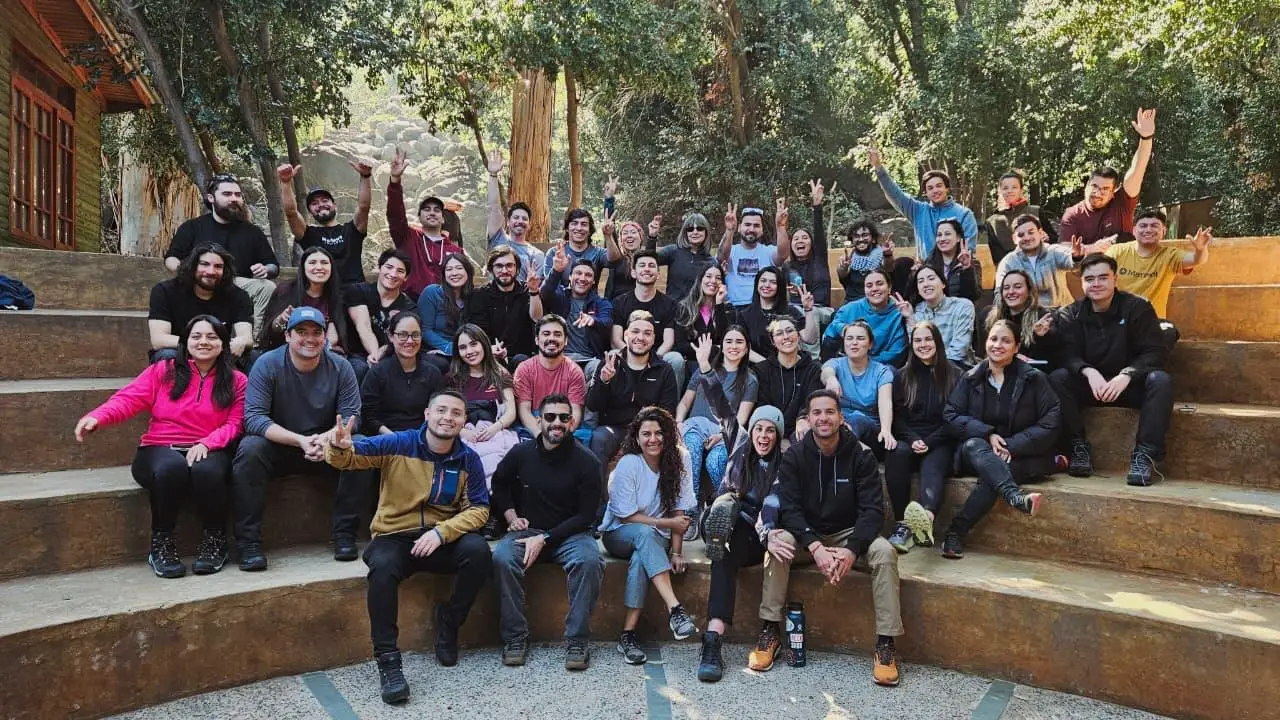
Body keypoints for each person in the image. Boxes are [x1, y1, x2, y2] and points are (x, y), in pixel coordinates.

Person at [323, 391, 491, 704]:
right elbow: (349, 458)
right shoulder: (399, 443)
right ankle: (389, 662)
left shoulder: (468, 459)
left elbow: (480, 509)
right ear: (427, 414)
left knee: (479, 551)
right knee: (382, 568)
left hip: (440, 538)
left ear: (463, 421)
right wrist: (338, 446)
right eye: (441, 410)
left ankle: (449, 621)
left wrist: (442, 532)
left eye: (456, 413)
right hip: (395, 535)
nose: (448, 417)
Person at [74, 315, 246, 578]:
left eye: (212, 337)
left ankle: (215, 541)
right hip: (159, 447)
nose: (203, 342)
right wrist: (98, 417)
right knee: (171, 467)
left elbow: (236, 423)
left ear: (223, 344)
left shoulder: (236, 380)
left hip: (208, 448)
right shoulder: (163, 371)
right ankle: (162, 544)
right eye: (196, 336)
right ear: (185, 341)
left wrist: (208, 442)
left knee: (207, 470)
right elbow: (129, 399)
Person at [761, 390, 904, 686]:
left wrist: (852, 550)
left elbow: (872, 512)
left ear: (841, 417)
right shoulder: (794, 456)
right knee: (779, 544)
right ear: (808, 418)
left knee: (885, 553)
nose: (823, 418)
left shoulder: (862, 455)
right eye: (817, 412)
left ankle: (886, 644)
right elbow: (790, 509)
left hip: (849, 534)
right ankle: (770, 630)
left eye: (829, 412)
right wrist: (815, 546)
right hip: (807, 536)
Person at [232, 307, 363, 570]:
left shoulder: (341, 366)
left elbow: (352, 416)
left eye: (316, 332)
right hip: (281, 445)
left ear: (325, 337)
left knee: (360, 445)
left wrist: (325, 439)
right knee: (250, 448)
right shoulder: (267, 364)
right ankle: (248, 543)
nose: (309, 338)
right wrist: (300, 440)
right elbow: (254, 418)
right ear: (287, 336)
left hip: (326, 446)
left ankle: (345, 534)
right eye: (301, 332)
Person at [490, 394, 604, 670]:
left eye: (564, 418)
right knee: (502, 558)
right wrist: (511, 516)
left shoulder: (587, 461)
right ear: (539, 420)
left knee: (590, 561)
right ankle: (515, 638)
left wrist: (545, 538)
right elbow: (499, 484)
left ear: (572, 422)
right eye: (550, 417)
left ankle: (577, 641)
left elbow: (586, 516)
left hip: (571, 535)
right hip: (527, 530)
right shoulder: (521, 453)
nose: (557, 423)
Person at [1049, 254, 1173, 486]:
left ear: (1115, 279)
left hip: (1128, 386)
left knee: (1161, 381)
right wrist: (1088, 371)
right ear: (1082, 282)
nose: (1096, 284)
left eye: (1103, 277)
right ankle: (1077, 447)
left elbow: (1154, 352)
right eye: (1089, 279)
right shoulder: (1070, 313)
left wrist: (1128, 374)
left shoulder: (1138, 307)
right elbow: (1066, 355)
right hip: (1091, 386)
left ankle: (1145, 455)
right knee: (1058, 378)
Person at [940, 320, 1054, 559]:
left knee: (994, 475)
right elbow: (951, 415)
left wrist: (1011, 445)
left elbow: (1050, 421)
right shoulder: (970, 378)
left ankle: (955, 532)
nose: (997, 345)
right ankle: (1014, 496)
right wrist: (987, 434)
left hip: (1019, 454)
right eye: (993, 339)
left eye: (1006, 341)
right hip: (977, 452)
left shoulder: (1034, 379)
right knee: (975, 445)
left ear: (1017, 347)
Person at [599, 407, 700, 665]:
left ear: (668, 435)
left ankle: (627, 635)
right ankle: (675, 608)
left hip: (655, 539)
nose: (653, 439)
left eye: (658, 433)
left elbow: (679, 510)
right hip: (619, 534)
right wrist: (666, 523)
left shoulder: (681, 458)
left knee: (640, 559)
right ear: (637, 437)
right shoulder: (629, 463)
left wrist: (676, 552)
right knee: (644, 535)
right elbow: (625, 517)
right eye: (646, 434)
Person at [695, 405, 785, 682]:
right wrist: (707, 376)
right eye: (759, 428)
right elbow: (722, 408)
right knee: (722, 538)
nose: (763, 435)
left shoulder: (783, 467)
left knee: (724, 546)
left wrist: (766, 533)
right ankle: (713, 637)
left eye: (770, 430)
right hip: (725, 529)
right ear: (751, 431)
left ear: (778, 436)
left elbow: (772, 505)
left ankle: (713, 638)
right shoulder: (739, 446)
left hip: (755, 534)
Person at [164, 174, 280, 337]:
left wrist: (266, 269)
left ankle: (253, 341)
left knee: (266, 287)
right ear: (211, 198)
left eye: (238, 195)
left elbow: (273, 266)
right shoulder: (193, 227)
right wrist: (189, 271)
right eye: (227, 194)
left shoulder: (252, 232)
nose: (234, 199)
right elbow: (171, 258)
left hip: (236, 286)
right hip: (200, 281)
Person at [885, 322, 960, 553]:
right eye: (917, 340)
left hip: (942, 439)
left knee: (933, 464)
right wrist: (912, 438)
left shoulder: (955, 375)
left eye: (928, 339)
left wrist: (930, 441)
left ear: (937, 341)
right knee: (896, 454)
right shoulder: (902, 376)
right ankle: (902, 525)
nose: (923, 344)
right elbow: (897, 417)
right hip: (910, 437)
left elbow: (956, 418)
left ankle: (926, 518)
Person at [587, 312, 680, 495]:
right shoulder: (610, 363)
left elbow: (667, 412)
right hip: (615, 429)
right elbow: (593, 405)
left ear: (653, 339)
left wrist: (642, 431)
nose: (640, 337)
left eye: (647, 333)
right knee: (598, 438)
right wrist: (604, 382)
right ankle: (597, 507)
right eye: (635, 331)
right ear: (626, 335)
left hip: (648, 431)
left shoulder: (664, 370)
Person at [1106, 210, 1212, 350]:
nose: (1148, 230)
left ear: (1164, 231)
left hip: (1151, 323)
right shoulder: (1117, 251)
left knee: (1169, 332)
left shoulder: (1170, 255)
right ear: (1134, 231)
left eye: (1154, 226)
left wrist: (1200, 249)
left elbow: (1196, 260)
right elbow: (1099, 271)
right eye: (1143, 226)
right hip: (1117, 320)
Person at [677, 328, 758, 506]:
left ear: (747, 348)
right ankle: (691, 508)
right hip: (695, 426)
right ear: (721, 346)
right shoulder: (704, 369)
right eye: (729, 341)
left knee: (715, 461)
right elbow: (684, 403)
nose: (733, 346)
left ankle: (721, 507)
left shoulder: (750, 380)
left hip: (724, 434)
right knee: (691, 451)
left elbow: (741, 419)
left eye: (739, 342)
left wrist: (721, 436)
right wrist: (678, 423)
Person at [1059, 108, 1157, 247]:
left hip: (1124, 260)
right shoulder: (1072, 215)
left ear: (1113, 193)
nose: (1097, 193)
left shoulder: (1121, 203)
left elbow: (1137, 170)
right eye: (1094, 186)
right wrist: (1095, 248)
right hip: (1089, 261)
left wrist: (1146, 138)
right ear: (1086, 186)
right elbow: (1064, 250)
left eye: (1105, 189)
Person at [148, 242, 254, 367]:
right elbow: (158, 340)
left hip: (219, 354)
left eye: (218, 266)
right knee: (167, 355)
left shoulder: (238, 295)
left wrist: (240, 341)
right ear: (192, 266)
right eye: (204, 264)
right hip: (182, 351)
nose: (211, 271)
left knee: (253, 357)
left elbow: (247, 337)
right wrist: (202, 344)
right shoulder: (165, 291)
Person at [868, 142, 978, 259]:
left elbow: (968, 250)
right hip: (926, 269)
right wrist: (878, 167)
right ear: (926, 192)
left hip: (955, 268)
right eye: (930, 188)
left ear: (947, 188)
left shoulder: (964, 214)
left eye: (939, 186)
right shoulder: (918, 211)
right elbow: (895, 194)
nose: (935, 190)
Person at [260, 247, 355, 375]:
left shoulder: (337, 297)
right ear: (303, 267)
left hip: (323, 353)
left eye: (324, 263)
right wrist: (282, 319)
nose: (319, 267)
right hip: (287, 353)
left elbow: (335, 336)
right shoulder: (286, 291)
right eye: (312, 262)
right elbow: (270, 333)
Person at [277, 160, 373, 284]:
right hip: (323, 292)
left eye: (325, 200)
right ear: (310, 212)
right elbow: (291, 213)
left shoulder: (352, 229)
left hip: (355, 289)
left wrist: (365, 177)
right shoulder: (308, 234)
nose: (321, 205)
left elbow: (364, 207)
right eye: (314, 203)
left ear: (334, 205)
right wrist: (286, 182)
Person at [449, 324, 522, 483]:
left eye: (473, 344)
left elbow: (511, 411)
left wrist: (495, 428)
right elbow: (446, 414)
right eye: (463, 347)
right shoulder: (453, 378)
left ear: (484, 344)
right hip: (465, 435)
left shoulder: (500, 373)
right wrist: (462, 432)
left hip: (496, 431)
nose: (469, 351)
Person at [387, 148, 463, 296]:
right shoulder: (409, 237)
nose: (432, 212)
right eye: (426, 209)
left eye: (437, 210)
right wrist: (395, 181)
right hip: (411, 302)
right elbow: (395, 214)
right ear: (420, 217)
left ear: (443, 218)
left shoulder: (455, 251)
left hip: (444, 304)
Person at [360, 312, 445, 436]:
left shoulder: (432, 373)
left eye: (415, 335)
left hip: (423, 437)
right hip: (386, 438)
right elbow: (368, 416)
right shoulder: (377, 372)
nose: (410, 341)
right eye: (403, 335)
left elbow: (438, 412)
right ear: (391, 336)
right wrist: (395, 439)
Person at [610, 250, 688, 384]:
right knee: (613, 355)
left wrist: (652, 359)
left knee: (676, 359)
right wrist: (634, 356)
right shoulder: (620, 302)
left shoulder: (669, 304)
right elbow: (616, 340)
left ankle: (670, 398)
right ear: (633, 272)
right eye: (642, 265)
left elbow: (668, 342)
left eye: (651, 266)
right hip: (628, 353)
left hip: (658, 355)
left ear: (658, 274)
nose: (647, 269)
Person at [821, 322, 896, 454]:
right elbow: (826, 371)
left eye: (860, 338)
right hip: (840, 424)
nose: (854, 343)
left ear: (870, 344)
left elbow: (885, 402)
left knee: (856, 419)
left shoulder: (882, 371)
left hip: (869, 429)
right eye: (849, 338)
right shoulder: (835, 364)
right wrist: (831, 379)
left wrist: (886, 430)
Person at [464, 247, 544, 367]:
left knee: (521, 360)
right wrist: (490, 348)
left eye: (509, 265)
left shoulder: (527, 291)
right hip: (489, 355)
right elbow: (477, 329)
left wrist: (533, 291)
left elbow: (537, 318)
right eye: (499, 266)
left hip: (521, 357)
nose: (504, 270)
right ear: (491, 269)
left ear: (517, 268)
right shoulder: (479, 295)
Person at [541, 249, 614, 378]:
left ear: (594, 281)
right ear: (570, 277)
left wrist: (593, 320)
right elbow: (545, 293)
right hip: (559, 358)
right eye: (578, 273)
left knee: (598, 368)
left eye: (588, 275)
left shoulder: (601, 303)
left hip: (589, 360)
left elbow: (607, 322)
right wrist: (556, 271)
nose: (582, 278)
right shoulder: (560, 296)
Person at [513, 316, 589, 438]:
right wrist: (541, 437)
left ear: (566, 340)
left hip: (563, 425)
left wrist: (560, 436)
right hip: (534, 424)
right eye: (546, 334)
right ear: (537, 340)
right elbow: (524, 411)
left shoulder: (574, 371)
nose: (551, 338)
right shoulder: (524, 369)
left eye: (557, 334)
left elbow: (575, 412)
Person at [347, 249, 419, 370]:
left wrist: (381, 353)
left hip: (391, 354)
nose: (393, 274)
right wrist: (375, 354)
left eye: (400, 271)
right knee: (361, 369)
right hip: (357, 354)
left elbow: (401, 339)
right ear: (379, 268)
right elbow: (364, 327)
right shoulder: (358, 291)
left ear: (406, 277)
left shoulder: (410, 308)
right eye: (389, 267)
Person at [755, 315, 824, 441]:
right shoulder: (762, 370)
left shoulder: (813, 369)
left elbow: (812, 401)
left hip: (801, 429)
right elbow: (762, 406)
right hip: (770, 430)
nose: (786, 336)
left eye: (790, 331)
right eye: (779, 333)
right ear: (773, 341)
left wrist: (803, 418)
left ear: (798, 335)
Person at [822, 269, 908, 366]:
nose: (874, 288)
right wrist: (843, 328)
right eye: (869, 286)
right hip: (847, 364)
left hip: (882, 367)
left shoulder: (899, 314)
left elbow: (896, 353)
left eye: (879, 284)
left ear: (889, 287)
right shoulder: (850, 308)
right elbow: (829, 334)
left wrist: (864, 363)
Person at [994, 214, 1081, 309]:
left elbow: (1072, 263)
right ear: (1014, 239)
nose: (1027, 238)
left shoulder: (1054, 252)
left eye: (1031, 232)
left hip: (1061, 311)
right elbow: (999, 292)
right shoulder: (1008, 262)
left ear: (1040, 233)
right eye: (1021, 235)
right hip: (1027, 313)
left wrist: (1076, 257)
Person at [718, 199, 792, 309]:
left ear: (762, 230)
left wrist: (781, 227)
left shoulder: (768, 251)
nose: (751, 229)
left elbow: (783, 255)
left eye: (756, 225)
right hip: (734, 307)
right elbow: (722, 257)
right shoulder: (731, 251)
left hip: (763, 307)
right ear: (739, 228)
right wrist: (729, 230)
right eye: (747, 224)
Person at [895, 265, 975, 366]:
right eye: (921, 281)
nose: (926, 284)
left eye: (931, 278)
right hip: (925, 366)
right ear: (918, 289)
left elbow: (960, 349)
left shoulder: (962, 306)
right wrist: (910, 318)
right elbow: (917, 347)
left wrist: (934, 365)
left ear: (943, 284)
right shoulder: (916, 310)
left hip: (957, 366)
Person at [737, 266, 818, 364]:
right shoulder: (745, 315)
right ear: (757, 284)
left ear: (779, 287)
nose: (767, 285)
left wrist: (808, 309)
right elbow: (744, 348)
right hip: (759, 366)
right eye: (763, 281)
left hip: (789, 365)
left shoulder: (790, 311)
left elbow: (810, 339)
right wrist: (769, 366)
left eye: (773, 282)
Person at [484, 150, 545, 282]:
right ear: (508, 222)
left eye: (524, 219)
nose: (520, 221)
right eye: (516, 217)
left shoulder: (536, 255)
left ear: (529, 225)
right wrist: (493, 175)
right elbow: (493, 208)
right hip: (493, 293)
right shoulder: (498, 239)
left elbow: (536, 286)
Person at [979, 270, 1060, 369]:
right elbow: (983, 354)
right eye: (1006, 288)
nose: (1011, 292)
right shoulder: (988, 315)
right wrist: (1012, 357)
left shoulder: (1043, 317)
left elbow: (1051, 359)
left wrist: (1037, 336)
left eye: (1017, 287)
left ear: (1029, 291)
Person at [984, 170, 1057, 268]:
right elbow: (996, 255)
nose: (1010, 191)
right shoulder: (992, 222)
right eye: (1005, 188)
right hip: (1010, 269)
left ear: (1021, 190)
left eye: (1014, 187)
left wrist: (1047, 238)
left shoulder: (1036, 211)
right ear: (1000, 191)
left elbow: (1054, 239)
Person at [784, 179, 834, 314]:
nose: (800, 241)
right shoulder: (788, 267)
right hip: (796, 311)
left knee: (812, 314)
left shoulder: (819, 259)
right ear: (791, 245)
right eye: (796, 239)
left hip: (821, 310)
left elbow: (818, 233)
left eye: (805, 238)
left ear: (812, 244)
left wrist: (817, 206)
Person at [418, 253, 474, 373]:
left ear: (468, 272)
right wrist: (449, 348)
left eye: (459, 268)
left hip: (464, 349)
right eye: (449, 269)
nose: (454, 273)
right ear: (444, 274)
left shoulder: (474, 297)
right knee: (442, 364)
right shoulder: (432, 293)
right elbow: (425, 330)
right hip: (434, 349)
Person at [677, 264, 735, 369]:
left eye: (718, 278)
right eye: (708, 276)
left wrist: (719, 305)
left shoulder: (728, 309)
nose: (713, 281)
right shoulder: (685, 308)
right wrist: (711, 349)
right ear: (700, 279)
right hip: (692, 362)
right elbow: (681, 345)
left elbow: (725, 340)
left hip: (719, 364)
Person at [650, 212, 718, 302]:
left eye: (699, 229)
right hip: (672, 308)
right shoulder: (673, 251)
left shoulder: (711, 262)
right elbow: (650, 260)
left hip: (696, 309)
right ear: (685, 232)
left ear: (706, 232)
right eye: (690, 229)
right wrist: (652, 237)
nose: (695, 232)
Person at [542, 208, 609, 285]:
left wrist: (609, 236)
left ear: (590, 230)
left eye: (584, 224)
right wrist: (556, 270)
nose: (579, 228)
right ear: (567, 228)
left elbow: (615, 260)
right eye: (574, 223)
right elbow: (548, 287)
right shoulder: (554, 253)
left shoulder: (598, 253)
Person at [921, 219, 981, 302]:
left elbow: (973, 296)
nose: (942, 239)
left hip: (960, 308)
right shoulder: (929, 264)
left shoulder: (971, 263)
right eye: (939, 235)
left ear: (958, 237)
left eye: (947, 234)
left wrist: (966, 268)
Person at [837, 220, 894, 302]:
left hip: (877, 303)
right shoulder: (849, 257)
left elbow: (889, 268)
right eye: (856, 236)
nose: (861, 239)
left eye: (865, 235)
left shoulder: (881, 255)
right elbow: (842, 275)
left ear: (873, 238)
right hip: (853, 303)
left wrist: (887, 255)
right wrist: (843, 268)